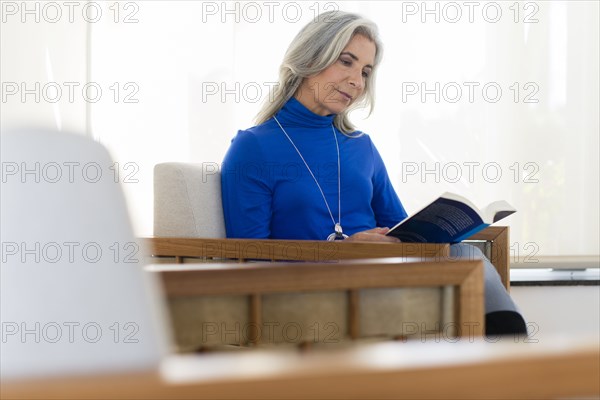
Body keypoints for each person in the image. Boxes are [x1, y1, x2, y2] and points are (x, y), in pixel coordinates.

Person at [221, 10, 527, 336]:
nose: (357, 81)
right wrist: (343, 251)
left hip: (382, 277)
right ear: (310, 58)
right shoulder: (253, 147)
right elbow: (249, 258)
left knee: (465, 254)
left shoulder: (361, 146)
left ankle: (509, 356)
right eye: (346, 61)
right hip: (310, 289)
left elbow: (401, 227)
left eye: (366, 71)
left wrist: (440, 228)